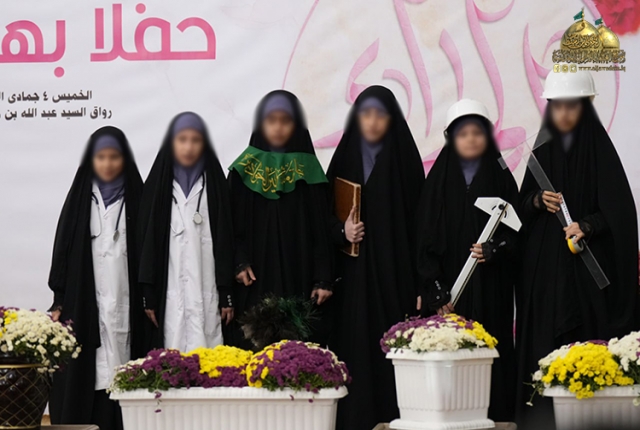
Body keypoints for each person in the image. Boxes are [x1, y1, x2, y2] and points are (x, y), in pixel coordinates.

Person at [515, 71, 639, 429]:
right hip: (545, 277)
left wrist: (587, 225)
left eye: (572, 106)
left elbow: (620, 214)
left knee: (588, 345)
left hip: (588, 278)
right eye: (557, 106)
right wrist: (536, 200)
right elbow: (520, 208)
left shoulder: (599, 151)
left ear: (585, 108)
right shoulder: (541, 151)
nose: (564, 114)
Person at [327, 85, 424, 430]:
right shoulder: (343, 159)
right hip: (351, 277)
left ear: (392, 119)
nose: (372, 122)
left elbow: (422, 227)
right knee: (353, 347)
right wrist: (342, 232)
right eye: (365, 114)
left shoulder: (406, 162)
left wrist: (420, 281)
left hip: (394, 276)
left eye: (380, 115)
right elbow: (320, 218)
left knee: (391, 348)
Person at [416, 99, 518, 421]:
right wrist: (435, 290)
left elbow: (519, 234)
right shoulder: (437, 183)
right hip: (449, 294)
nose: (471, 139)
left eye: (477, 133)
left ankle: (495, 419)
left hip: (491, 289)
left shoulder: (501, 179)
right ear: (451, 138)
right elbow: (423, 241)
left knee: (490, 355)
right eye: (463, 134)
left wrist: (496, 249)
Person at [48, 126, 144, 430]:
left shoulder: (138, 199)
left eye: (114, 157)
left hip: (126, 299)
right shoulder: (80, 199)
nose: (107, 164)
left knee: (123, 368)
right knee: (88, 371)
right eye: (100, 157)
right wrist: (59, 299)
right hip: (85, 301)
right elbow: (62, 251)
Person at [228, 90, 334, 348]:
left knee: (297, 351)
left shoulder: (309, 170)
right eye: (271, 120)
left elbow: (321, 229)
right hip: (254, 277)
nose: (277, 127)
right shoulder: (243, 171)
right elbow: (230, 227)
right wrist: (239, 262)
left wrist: (323, 277)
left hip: (300, 273)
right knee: (253, 348)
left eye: (285, 121)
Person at [137, 112, 234, 352]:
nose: (188, 147)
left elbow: (227, 242)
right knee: (172, 351)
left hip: (206, 286)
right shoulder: (157, 187)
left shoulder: (216, 186)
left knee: (210, 351)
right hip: (170, 290)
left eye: (195, 140)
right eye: (182, 140)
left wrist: (226, 293)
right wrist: (148, 293)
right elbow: (145, 243)